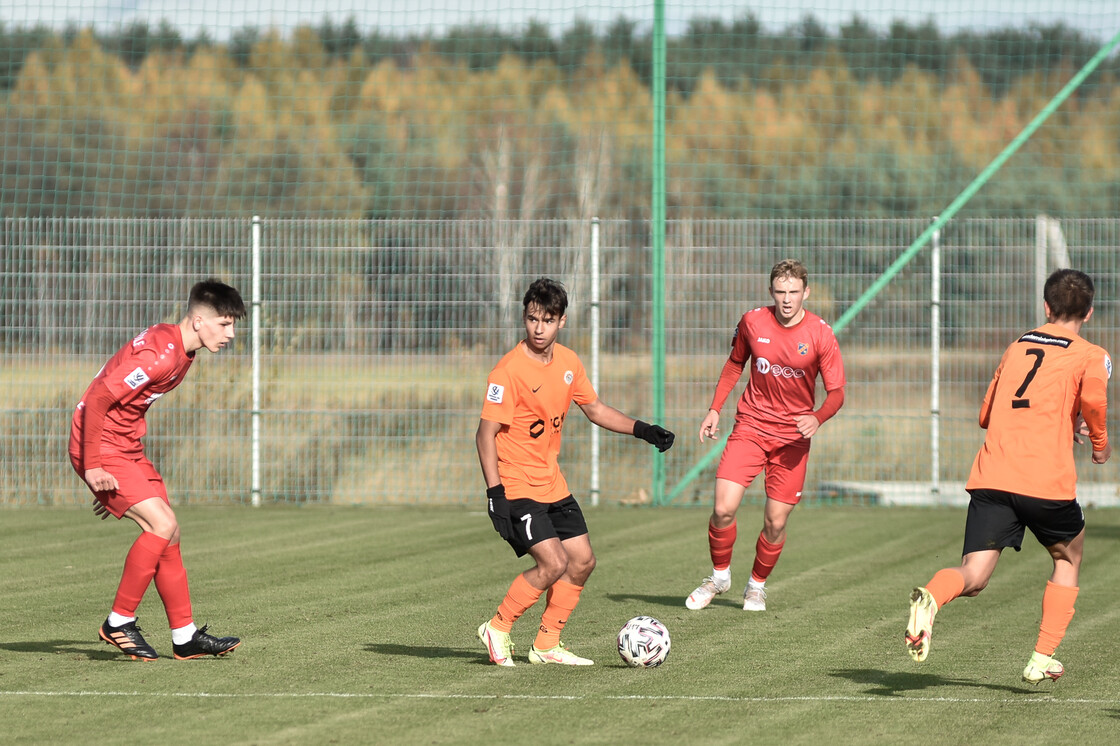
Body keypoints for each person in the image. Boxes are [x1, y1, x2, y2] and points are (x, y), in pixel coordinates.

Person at [906, 268, 1110, 684]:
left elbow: (986, 414)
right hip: (1044, 479)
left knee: (974, 576)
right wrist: (1100, 445)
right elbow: (1093, 400)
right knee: (1067, 558)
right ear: (1088, 312)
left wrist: (1056, 417)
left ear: (1046, 306)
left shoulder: (1018, 345)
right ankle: (1041, 656)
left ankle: (931, 598)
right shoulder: (1092, 354)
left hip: (993, 475)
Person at [475, 277, 675, 666]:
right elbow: (485, 435)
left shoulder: (568, 363)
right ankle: (497, 627)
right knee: (553, 563)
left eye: (547, 320)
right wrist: (494, 494)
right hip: (517, 486)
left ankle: (547, 645)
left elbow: (595, 409)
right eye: (532, 319)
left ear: (561, 322)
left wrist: (643, 429)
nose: (538, 328)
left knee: (582, 561)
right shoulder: (507, 372)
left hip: (552, 483)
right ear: (524, 318)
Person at [69, 279, 247, 661]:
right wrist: (94, 467)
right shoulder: (161, 355)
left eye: (233, 325)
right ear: (199, 320)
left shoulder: (180, 349)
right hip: (102, 445)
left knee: (170, 531)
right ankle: (118, 621)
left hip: (125, 447)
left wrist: (118, 488)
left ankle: (184, 636)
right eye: (225, 324)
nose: (231, 334)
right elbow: (98, 398)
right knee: (160, 526)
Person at [685, 259, 845, 612]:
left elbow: (837, 393)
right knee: (722, 509)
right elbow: (734, 364)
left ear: (806, 292)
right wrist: (715, 408)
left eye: (793, 292)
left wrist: (817, 418)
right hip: (751, 427)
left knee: (775, 521)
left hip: (791, 440)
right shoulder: (753, 321)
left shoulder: (821, 334)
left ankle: (756, 586)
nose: (786, 299)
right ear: (770, 292)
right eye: (780, 292)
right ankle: (719, 576)